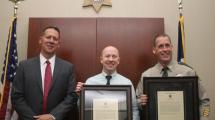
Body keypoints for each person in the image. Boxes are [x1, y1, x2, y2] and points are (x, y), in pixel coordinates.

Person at [136, 33, 210, 119]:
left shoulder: (188, 72)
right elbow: (136, 102)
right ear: (154, 50)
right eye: (160, 46)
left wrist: (204, 118)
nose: (165, 49)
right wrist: (140, 102)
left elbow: (204, 101)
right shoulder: (146, 76)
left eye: (167, 45)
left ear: (172, 47)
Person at [11, 26, 78, 120]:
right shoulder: (24, 66)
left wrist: (52, 116)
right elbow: (16, 96)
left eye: (55, 39)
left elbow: (71, 96)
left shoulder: (68, 68)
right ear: (40, 40)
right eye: (48, 37)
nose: (51, 41)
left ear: (58, 44)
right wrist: (33, 118)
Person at [76, 46, 140, 120]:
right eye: (107, 56)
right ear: (101, 60)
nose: (111, 59)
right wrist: (80, 96)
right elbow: (83, 109)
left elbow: (134, 109)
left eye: (114, 56)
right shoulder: (90, 82)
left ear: (118, 60)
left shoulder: (127, 83)